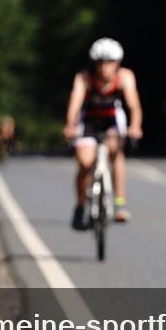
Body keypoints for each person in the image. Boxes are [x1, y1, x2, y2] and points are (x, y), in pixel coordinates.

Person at [63, 38, 143, 229]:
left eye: (109, 62)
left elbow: (134, 105)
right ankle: (80, 206)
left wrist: (135, 126)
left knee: (116, 151)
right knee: (85, 162)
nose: (104, 67)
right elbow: (75, 103)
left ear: (117, 63)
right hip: (88, 121)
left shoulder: (124, 77)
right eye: (100, 62)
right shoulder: (84, 77)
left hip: (112, 121)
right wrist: (70, 125)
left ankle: (119, 203)